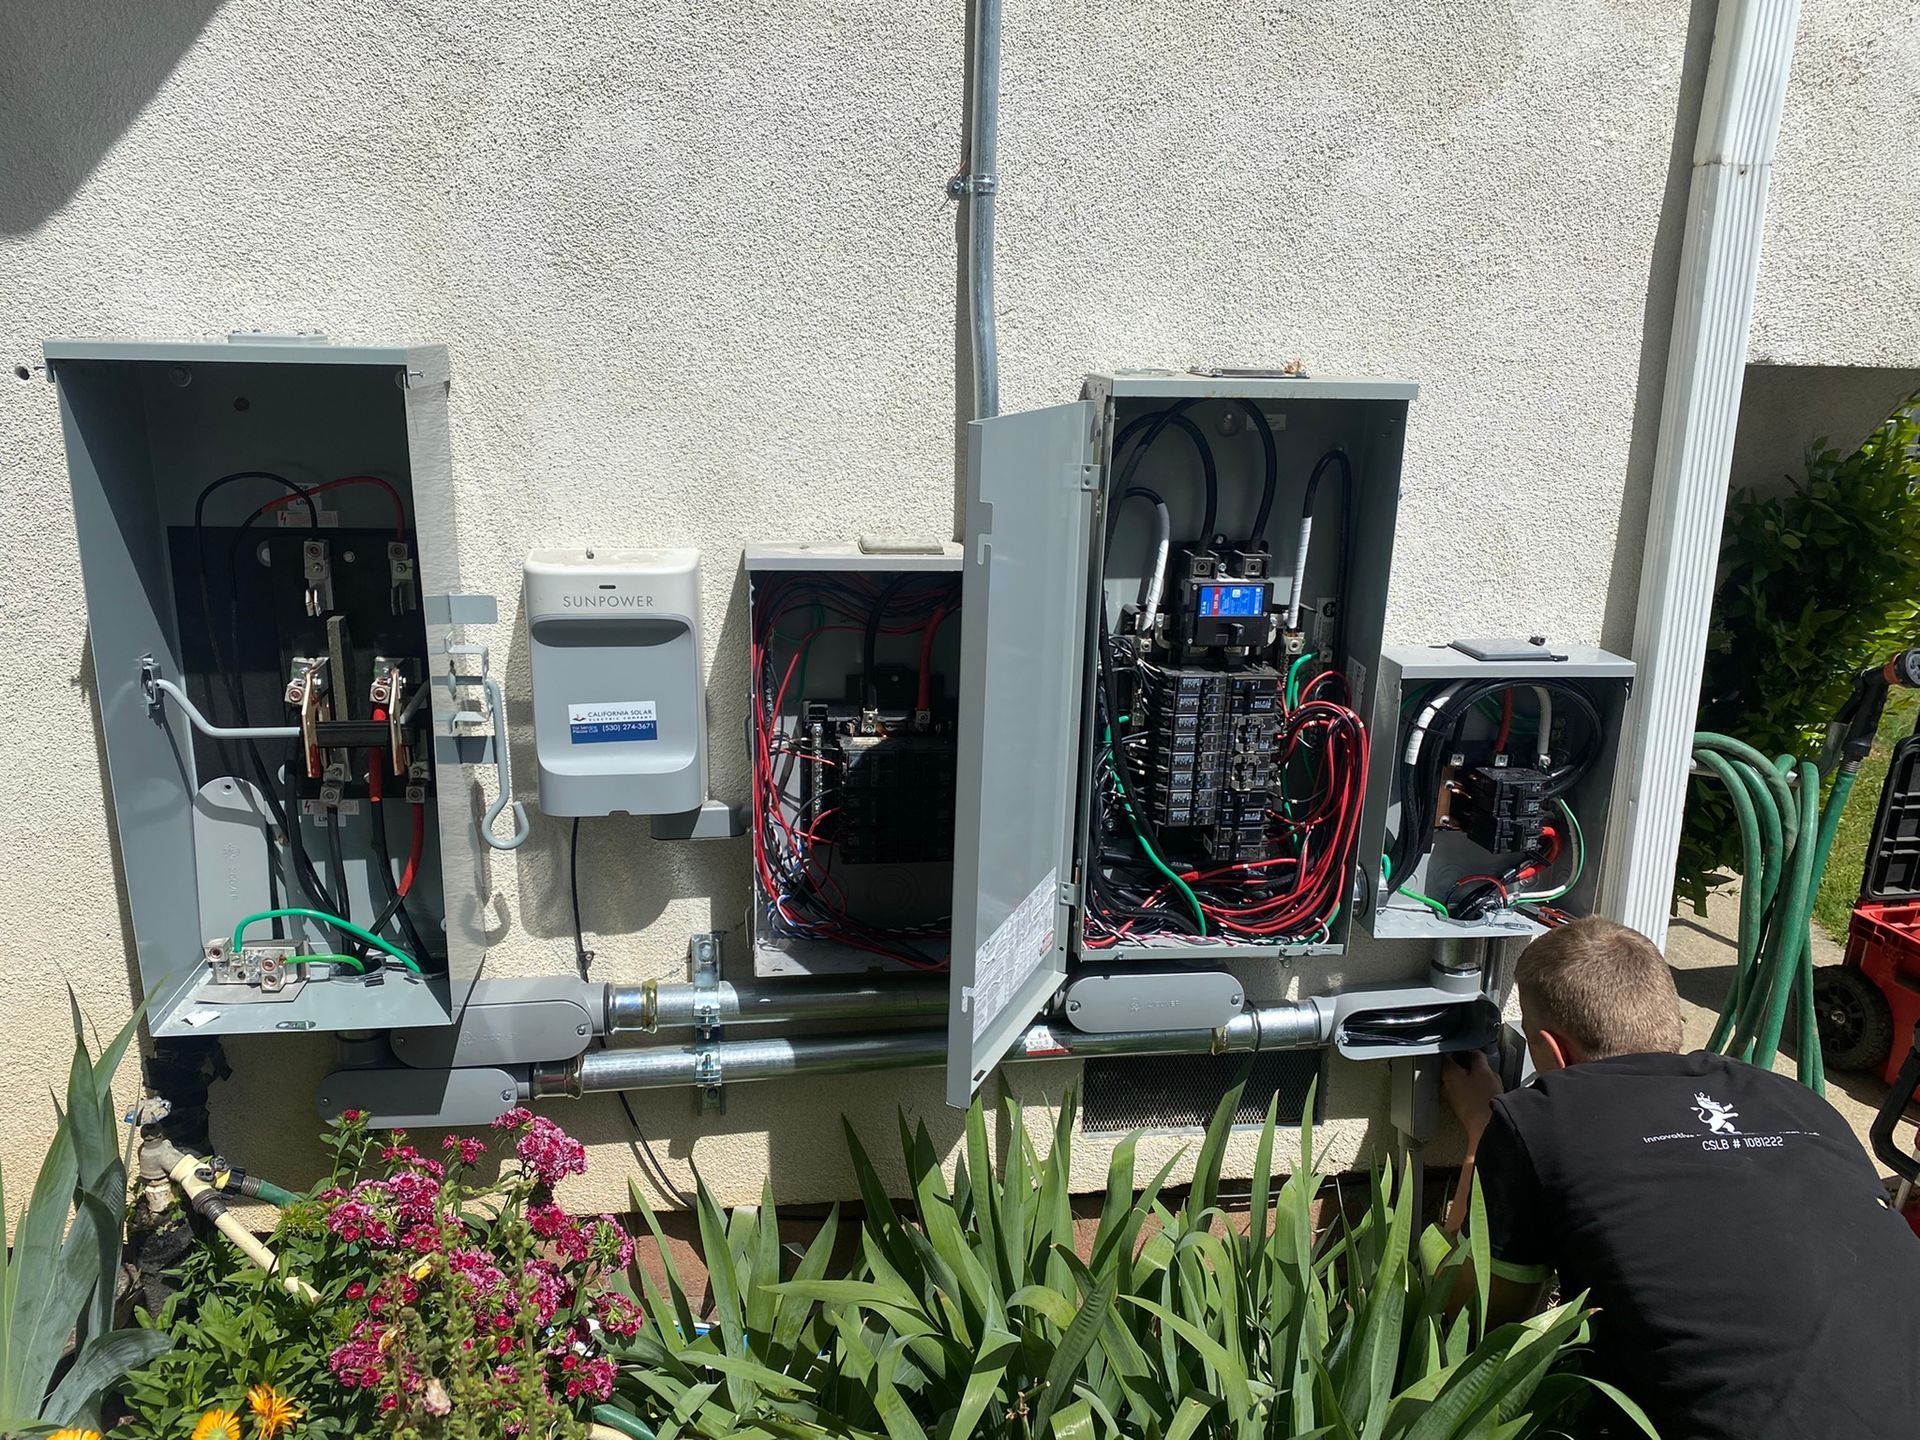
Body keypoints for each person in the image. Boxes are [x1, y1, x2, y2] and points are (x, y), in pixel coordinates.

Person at [1442, 915, 1920, 1440]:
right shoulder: (1798, 1101)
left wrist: (1482, 1133)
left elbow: (1476, 1325)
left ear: (1553, 1051)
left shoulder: (1539, 1120)